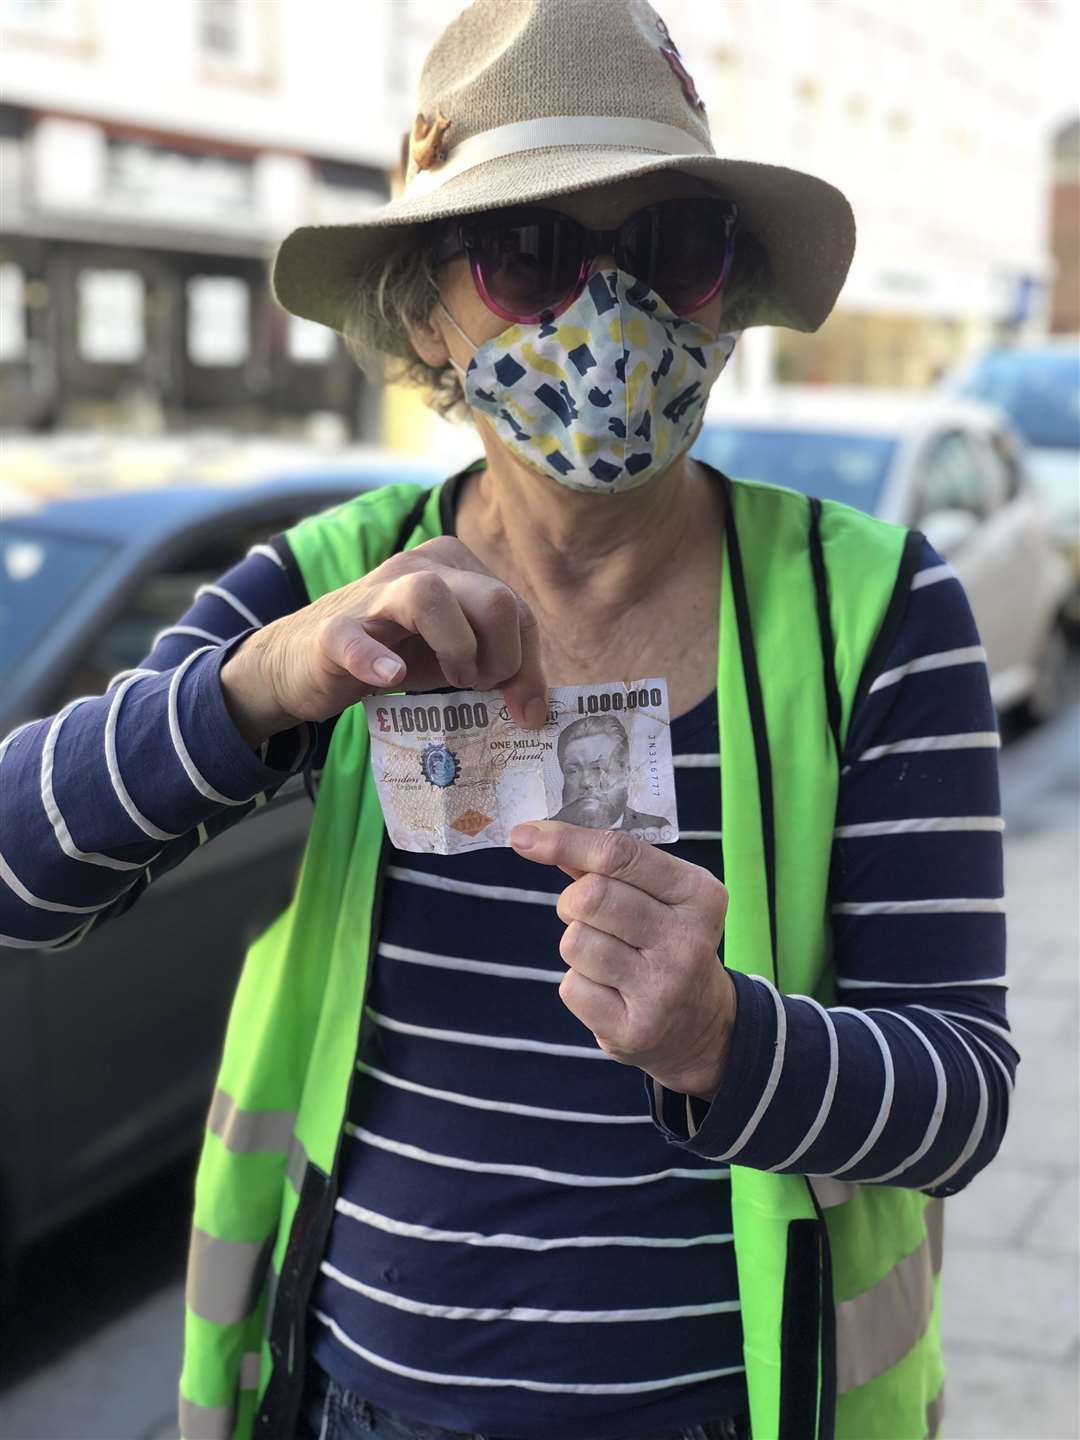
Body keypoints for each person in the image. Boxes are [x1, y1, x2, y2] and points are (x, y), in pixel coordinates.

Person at [0, 3, 1017, 1439]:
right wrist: (268, 684)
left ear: (725, 296)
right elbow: (17, 875)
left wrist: (728, 1040)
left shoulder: (878, 609)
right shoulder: (323, 588)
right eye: (527, 253)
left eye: (671, 247)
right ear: (426, 311)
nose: (608, 316)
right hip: (360, 1400)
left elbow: (961, 1100)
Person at [551, 713, 671, 835]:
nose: (586, 782)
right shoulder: (545, 831)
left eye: (598, 768)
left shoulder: (657, 828)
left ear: (626, 771)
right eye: (573, 771)